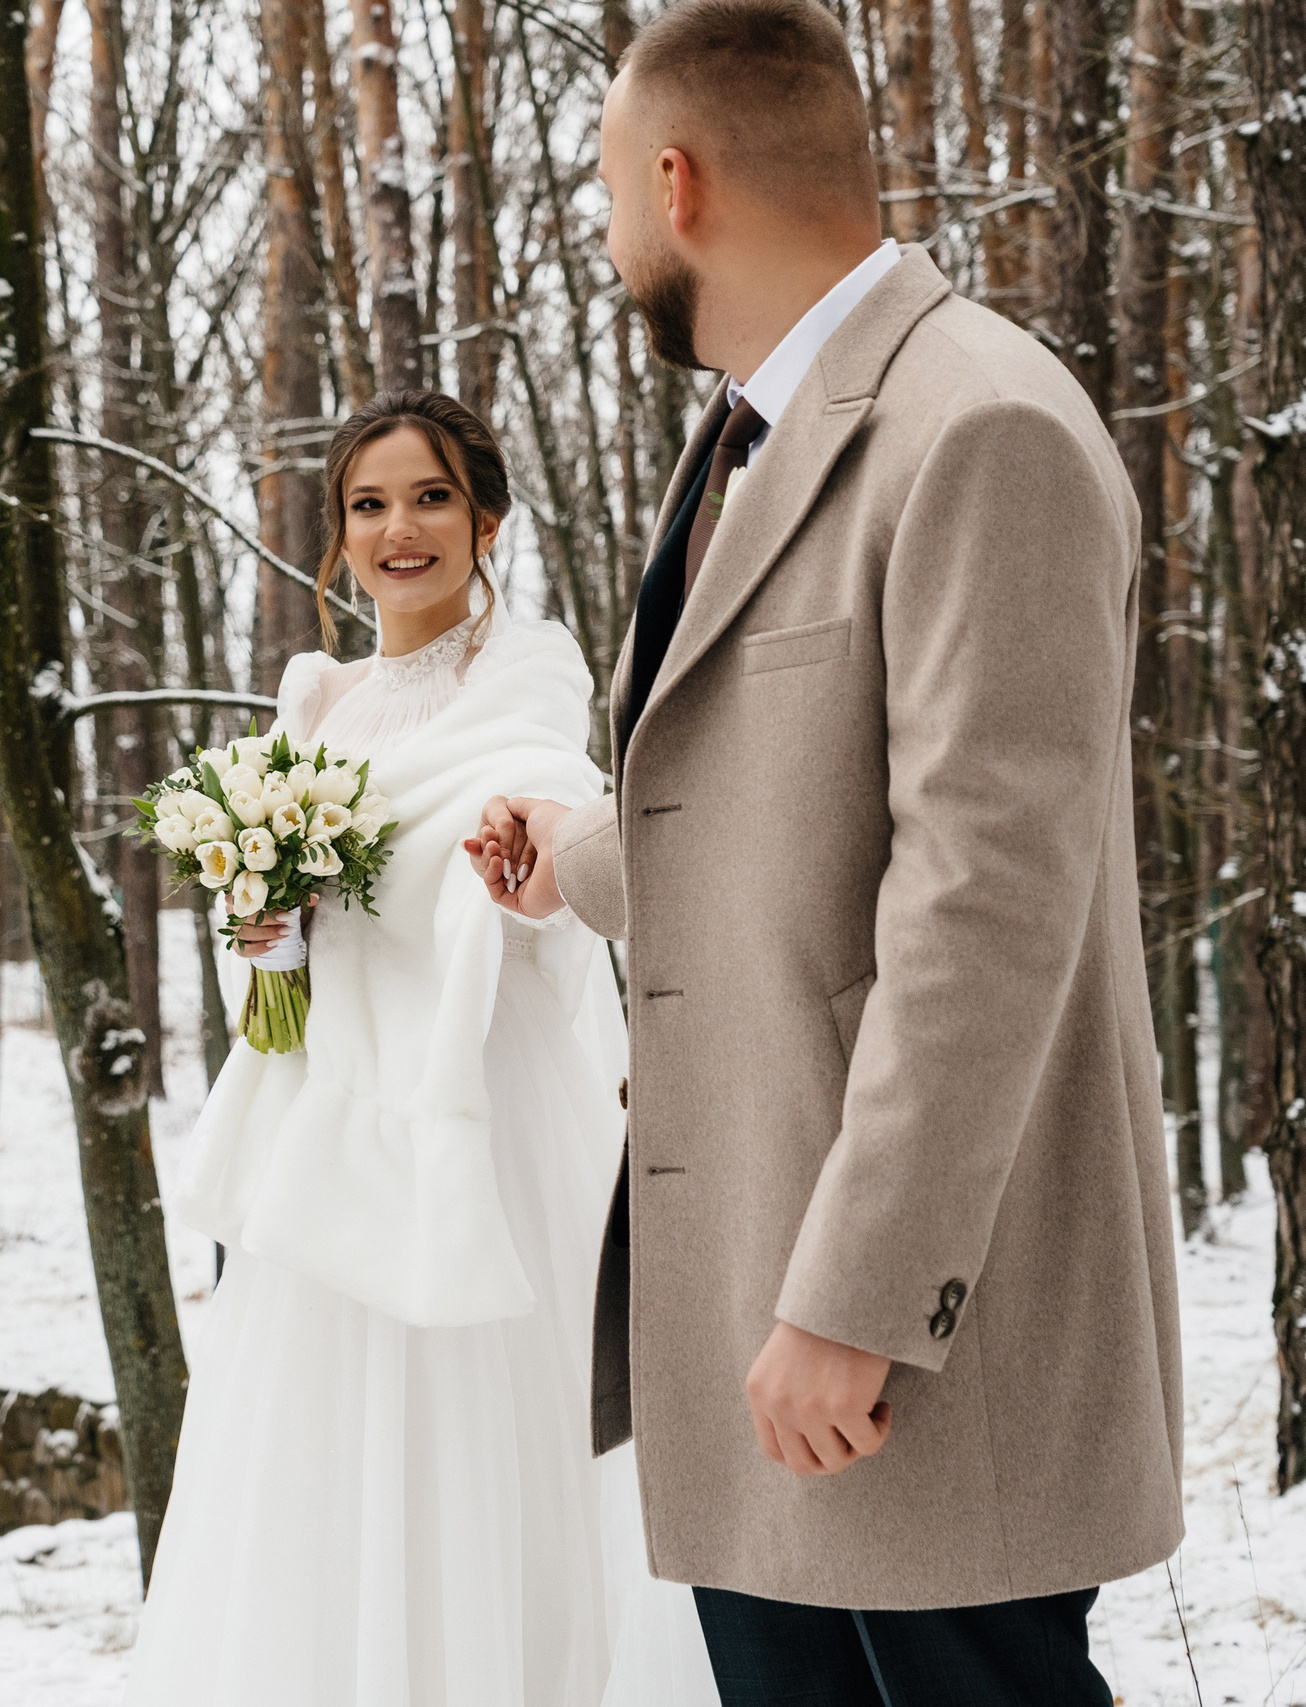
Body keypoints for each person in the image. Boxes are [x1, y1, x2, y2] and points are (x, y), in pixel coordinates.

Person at [467, 1, 1186, 1701]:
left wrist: (855, 1304)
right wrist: (575, 858)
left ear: (675, 180)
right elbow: (781, 812)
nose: (609, 235)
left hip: (910, 1337)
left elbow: (986, 906)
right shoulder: (742, 438)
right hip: (750, 1312)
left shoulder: (981, 425)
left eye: (606, 195)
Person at [128, 391, 720, 1706]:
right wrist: (268, 928)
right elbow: (276, 971)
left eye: (433, 496)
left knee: (494, 1473)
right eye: (370, 505)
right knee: (316, 1491)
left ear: (487, 518)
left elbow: (549, 802)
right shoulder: (315, 705)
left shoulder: (531, 671)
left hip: (485, 1129)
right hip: (327, 1141)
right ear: (338, 537)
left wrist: (528, 851)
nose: (402, 529)